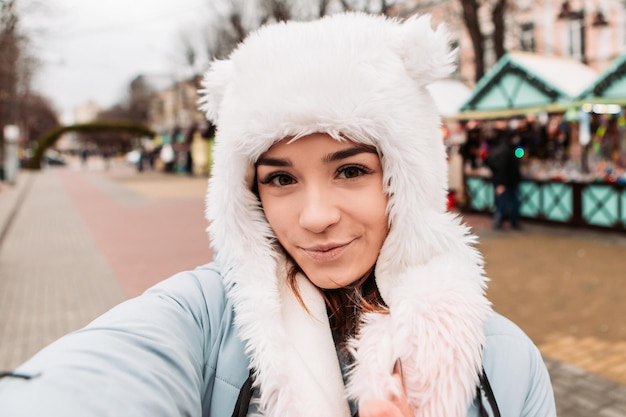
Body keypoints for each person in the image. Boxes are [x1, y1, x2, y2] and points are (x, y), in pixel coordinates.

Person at [0, 13, 554, 417]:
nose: (314, 217)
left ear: (407, 178)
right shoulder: (204, 318)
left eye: (351, 170)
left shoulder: (505, 364)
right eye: (281, 179)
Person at [486, 125, 523, 230]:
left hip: (507, 182)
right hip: (508, 183)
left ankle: (504, 221)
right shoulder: (507, 151)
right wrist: (501, 183)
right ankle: (503, 221)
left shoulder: (501, 149)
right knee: (506, 203)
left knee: (504, 203)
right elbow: (503, 168)